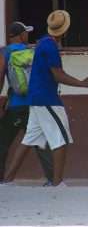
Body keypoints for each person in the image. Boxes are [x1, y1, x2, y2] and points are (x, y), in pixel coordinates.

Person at [3, 10, 88, 186]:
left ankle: (7, 180)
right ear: (65, 30)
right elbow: (58, 75)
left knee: (28, 140)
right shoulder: (50, 46)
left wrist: (82, 82)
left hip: (36, 99)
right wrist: (83, 84)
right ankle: (57, 183)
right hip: (47, 99)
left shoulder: (43, 43)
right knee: (60, 138)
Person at [0, 22, 54, 185]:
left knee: (2, 142)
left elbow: (0, 77)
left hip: (15, 105)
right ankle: (52, 179)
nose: (27, 36)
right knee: (41, 141)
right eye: (26, 33)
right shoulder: (31, 52)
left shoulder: (5, 52)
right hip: (33, 104)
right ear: (20, 35)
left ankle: (3, 179)